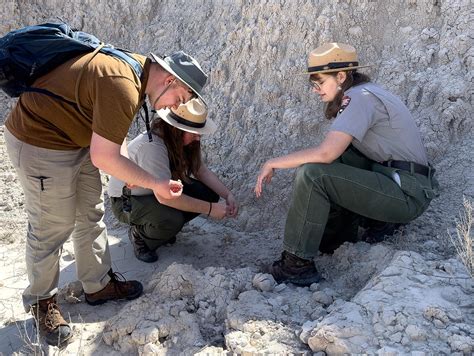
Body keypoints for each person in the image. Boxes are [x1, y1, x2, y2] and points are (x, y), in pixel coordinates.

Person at [4, 48, 207, 346]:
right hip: (40, 141)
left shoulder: (137, 76)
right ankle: (41, 302)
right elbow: (105, 156)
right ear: (168, 80)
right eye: (180, 99)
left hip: (77, 139)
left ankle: (97, 285)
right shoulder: (123, 84)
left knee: (90, 214)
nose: (174, 108)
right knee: (53, 224)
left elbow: (112, 136)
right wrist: (155, 183)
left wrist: (133, 175)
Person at [255, 42, 439, 286]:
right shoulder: (367, 92)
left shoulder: (359, 97)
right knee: (345, 154)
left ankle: (296, 266)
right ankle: (339, 239)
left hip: (406, 192)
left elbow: (326, 153)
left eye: (318, 82)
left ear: (340, 76)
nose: (315, 90)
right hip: (401, 182)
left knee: (313, 174)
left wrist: (273, 162)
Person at [108, 98, 239, 263]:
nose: (198, 138)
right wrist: (211, 209)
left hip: (156, 191)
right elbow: (165, 197)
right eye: (194, 132)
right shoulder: (153, 147)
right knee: (172, 219)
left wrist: (228, 195)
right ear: (176, 130)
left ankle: (163, 229)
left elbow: (201, 171)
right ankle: (140, 235)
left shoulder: (183, 142)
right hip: (127, 200)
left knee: (208, 193)